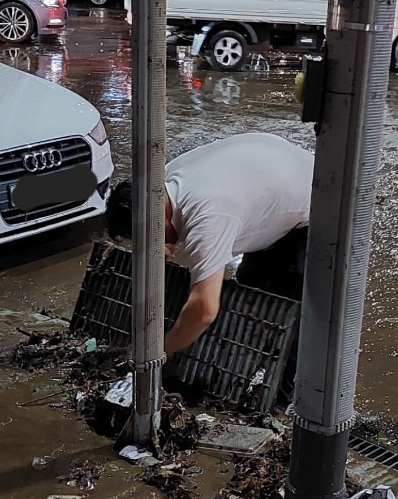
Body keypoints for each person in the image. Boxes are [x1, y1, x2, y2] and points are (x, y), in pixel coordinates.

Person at [105, 131, 314, 374]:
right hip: (274, 169)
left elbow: (205, 308)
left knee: (295, 318)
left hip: (319, 203)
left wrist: (159, 351)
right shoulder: (165, 182)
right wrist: (167, 243)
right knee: (252, 287)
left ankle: (288, 399)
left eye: (146, 240)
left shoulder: (207, 218)